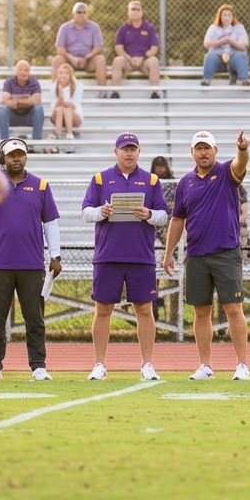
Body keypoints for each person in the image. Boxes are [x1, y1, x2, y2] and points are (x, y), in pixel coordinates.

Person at [0, 139, 61, 380]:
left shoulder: (40, 186)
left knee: (35, 319)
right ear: (3, 158)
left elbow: (50, 222)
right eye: (11, 155)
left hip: (32, 264)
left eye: (20, 154)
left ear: (26, 157)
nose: (16, 158)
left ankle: (39, 365)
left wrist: (55, 255)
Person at [162, 130, 250, 381]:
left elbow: (240, 165)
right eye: (198, 148)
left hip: (226, 251)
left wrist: (243, 149)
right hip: (196, 254)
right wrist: (169, 253)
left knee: (233, 308)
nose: (203, 152)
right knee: (200, 311)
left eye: (207, 148)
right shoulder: (184, 183)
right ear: (192, 152)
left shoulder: (226, 172)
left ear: (215, 150)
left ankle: (242, 365)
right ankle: (205, 366)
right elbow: (178, 219)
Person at [82, 133, 168, 381]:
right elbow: (86, 212)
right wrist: (102, 211)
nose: (129, 153)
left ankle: (147, 364)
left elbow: (164, 215)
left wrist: (148, 214)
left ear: (139, 152)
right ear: (116, 151)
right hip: (108, 255)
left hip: (141, 255)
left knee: (144, 309)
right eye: (124, 149)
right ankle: (99, 364)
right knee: (103, 309)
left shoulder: (152, 180)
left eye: (133, 149)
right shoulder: (100, 179)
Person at [52, 2, 107, 93]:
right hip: (69, 61)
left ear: (87, 14)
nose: (81, 14)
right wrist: (72, 58)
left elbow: (98, 47)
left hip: (88, 61)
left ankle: (102, 92)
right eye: (78, 12)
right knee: (57, 60)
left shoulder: (94, 27)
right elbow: (59, 48)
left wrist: (87, 57)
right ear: (73, 14)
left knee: (101, 59)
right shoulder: (64, 28)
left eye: (84, 12)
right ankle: (56, 91)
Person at [111, 1, 161, 98]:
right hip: (128, 60)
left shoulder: (150, 28)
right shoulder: (123, 28)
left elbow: (154, 49)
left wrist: (142, 58)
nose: (135, 11)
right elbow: (118, 48)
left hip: (144, 61)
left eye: (138, 9)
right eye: (132, 9)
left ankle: (155, 92)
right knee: (117, 61)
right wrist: (129, 58)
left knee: (154, 61)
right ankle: (115, 92)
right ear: (128, 12)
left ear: (142, 13)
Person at [203, 4, 250, 86]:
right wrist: (223, 40)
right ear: (220, 16)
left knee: (241, 56)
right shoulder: (213, 28)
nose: (226, 18)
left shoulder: (239, 28)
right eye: (224, 15)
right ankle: (206, 80)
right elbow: (207, 44)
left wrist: (230, 41)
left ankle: (244, 80)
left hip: (234, 53)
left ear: (232, 17)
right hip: (217, 53)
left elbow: (243, 45)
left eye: (229, 15)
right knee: (209, 57)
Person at [0, 59, 43, 141]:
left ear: (29, 72)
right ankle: (5, 143)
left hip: (29, 117)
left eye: (26, 70)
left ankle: (36, 144)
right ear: (16, 71)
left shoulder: (34, 83)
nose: (23, 72)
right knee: (2, 109)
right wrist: (27, 99)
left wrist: (15, 100)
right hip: (13, 117)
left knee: (39, 109)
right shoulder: (9, 82)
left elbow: (36, 101)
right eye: (20, 69)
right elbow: (4, 100)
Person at [49, 62, 83, 153]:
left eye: (66, 73)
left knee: (67, 109)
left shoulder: (77, 86)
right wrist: (60, 92)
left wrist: (65, 103)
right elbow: (54, 107)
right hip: (58, 115)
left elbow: (74, 105)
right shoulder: (54, 87)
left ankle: (69, 136)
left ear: (70, 75)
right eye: (60, 73)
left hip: (73, 115)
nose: (63, 75)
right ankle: (58, 138)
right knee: (60, 109)